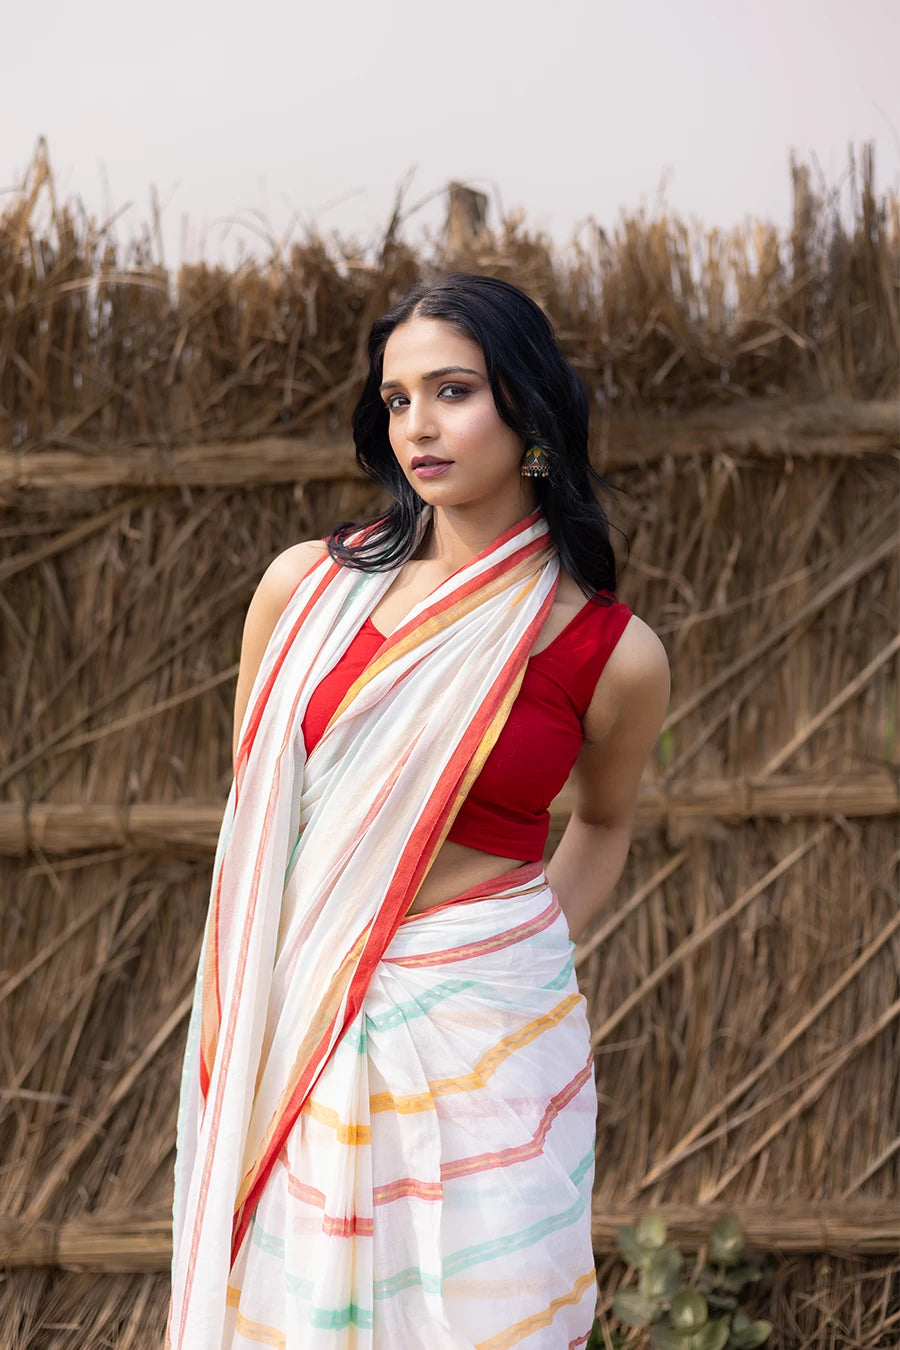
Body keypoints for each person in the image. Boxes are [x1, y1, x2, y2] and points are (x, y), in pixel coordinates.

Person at [168, 273, 670, 1349]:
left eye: (452, 391)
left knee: (490, 1318)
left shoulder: (608, 653)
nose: (418, 426)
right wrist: (338, 959)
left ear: (529, 410)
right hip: (308, 1016)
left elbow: (605, 823)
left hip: (492, 1028)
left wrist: (512, 952)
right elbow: (264, 827)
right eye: (396, 399)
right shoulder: (302, 594)